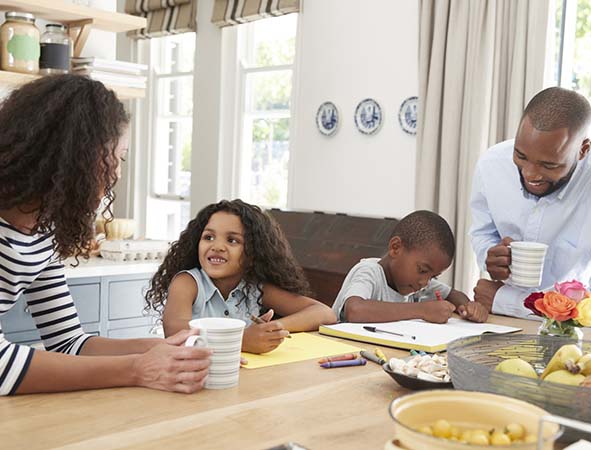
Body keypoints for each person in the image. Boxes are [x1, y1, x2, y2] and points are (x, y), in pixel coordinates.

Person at [0, 75, 211, 396]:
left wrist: (163, 349)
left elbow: (68, 341)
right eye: (118, 156)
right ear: (76, 155)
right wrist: (138, 369)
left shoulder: (43, 230)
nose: (118, 173)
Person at [470, 87, 591, 318]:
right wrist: (490, 254)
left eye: (549, 165)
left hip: (570, 332)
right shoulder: (491, 166)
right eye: (520, 156)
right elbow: (482, 233)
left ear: (583, 150)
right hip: (499, 321)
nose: (530, 174)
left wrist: (506, 301)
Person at [144, 199, 337, 354]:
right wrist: (242, 340)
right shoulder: (187, 283)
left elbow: (324, 313)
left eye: (232, 240)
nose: (217, 246)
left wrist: (274, 328)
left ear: (254, 253)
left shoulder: (255, 288)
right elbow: (175, 333)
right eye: (208, 237)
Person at [331, 211, 488, 323]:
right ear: (396, 247)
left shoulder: (417, 283)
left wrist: (468, 308)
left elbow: (453, 294)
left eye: (433, 277)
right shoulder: (368, 272)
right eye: (423, 270)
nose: (425, 282)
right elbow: (355, 310)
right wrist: (423, 310)